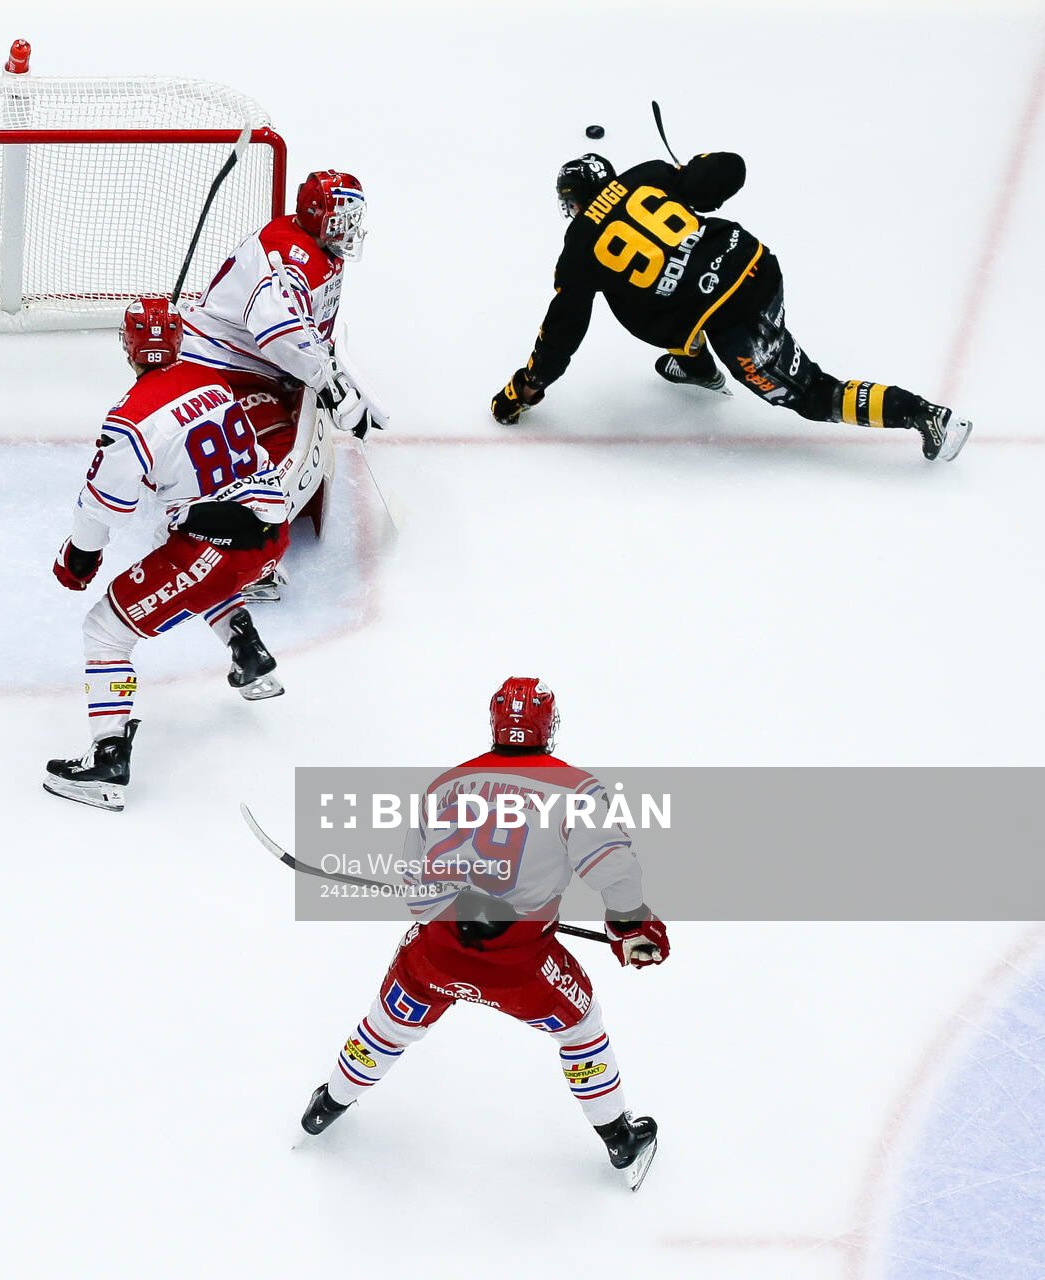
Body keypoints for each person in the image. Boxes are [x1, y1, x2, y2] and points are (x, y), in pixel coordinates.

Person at [298, 677, 670, 1191]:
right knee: (582, 1029)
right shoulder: (576, 790)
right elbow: (617, 872)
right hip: (520, 967)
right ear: (549, 727)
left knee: (386, 1028)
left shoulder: (445, 785)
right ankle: (619, 1138)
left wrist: (460, 908)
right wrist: (629, 925)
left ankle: (325, 1106)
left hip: (433, 957)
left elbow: (415, 890)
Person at [491, 151, 972, 462]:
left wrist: (525, 388)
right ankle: (695, 364)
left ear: (574, 200)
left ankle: (924, 414)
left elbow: (563, 332)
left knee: (812, 394)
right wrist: (690, 172)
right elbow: (730, 170)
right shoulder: (648, 175)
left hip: (734, 318)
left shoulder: (578, 249)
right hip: (756, 264)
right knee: (648, 294)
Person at [43, 297, 291, 811]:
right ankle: (248, 651)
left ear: (127, 345)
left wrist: (79, 558)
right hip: (273, 533)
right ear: (178, 340)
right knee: (175, 543)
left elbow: (101, 507)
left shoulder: (130, 420)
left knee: (105, 631)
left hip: (220, 550)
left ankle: (108, 760)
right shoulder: (213, 381)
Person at [179, 170, 385, 597]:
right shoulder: (289, 257)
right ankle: (240, 555)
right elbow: (279, 331)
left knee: (287, 439)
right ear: (318, 216)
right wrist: (329, 386)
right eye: (342, 220)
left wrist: (336, 379)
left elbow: (307, 328)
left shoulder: (319, 249)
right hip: (219, 365)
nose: (350, 229)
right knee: (278, 450)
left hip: (252, 365)